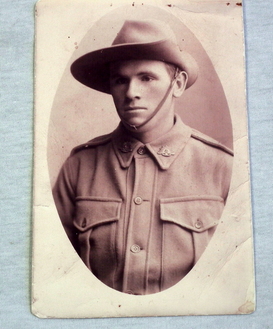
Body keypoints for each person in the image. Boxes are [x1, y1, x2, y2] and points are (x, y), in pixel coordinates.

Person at [53, 19, 233, 295]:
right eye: (120, 80)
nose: (131, 93)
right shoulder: (79, 167)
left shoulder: (221, 167)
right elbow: (55, 272)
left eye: (146, 78)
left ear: (178, 84)